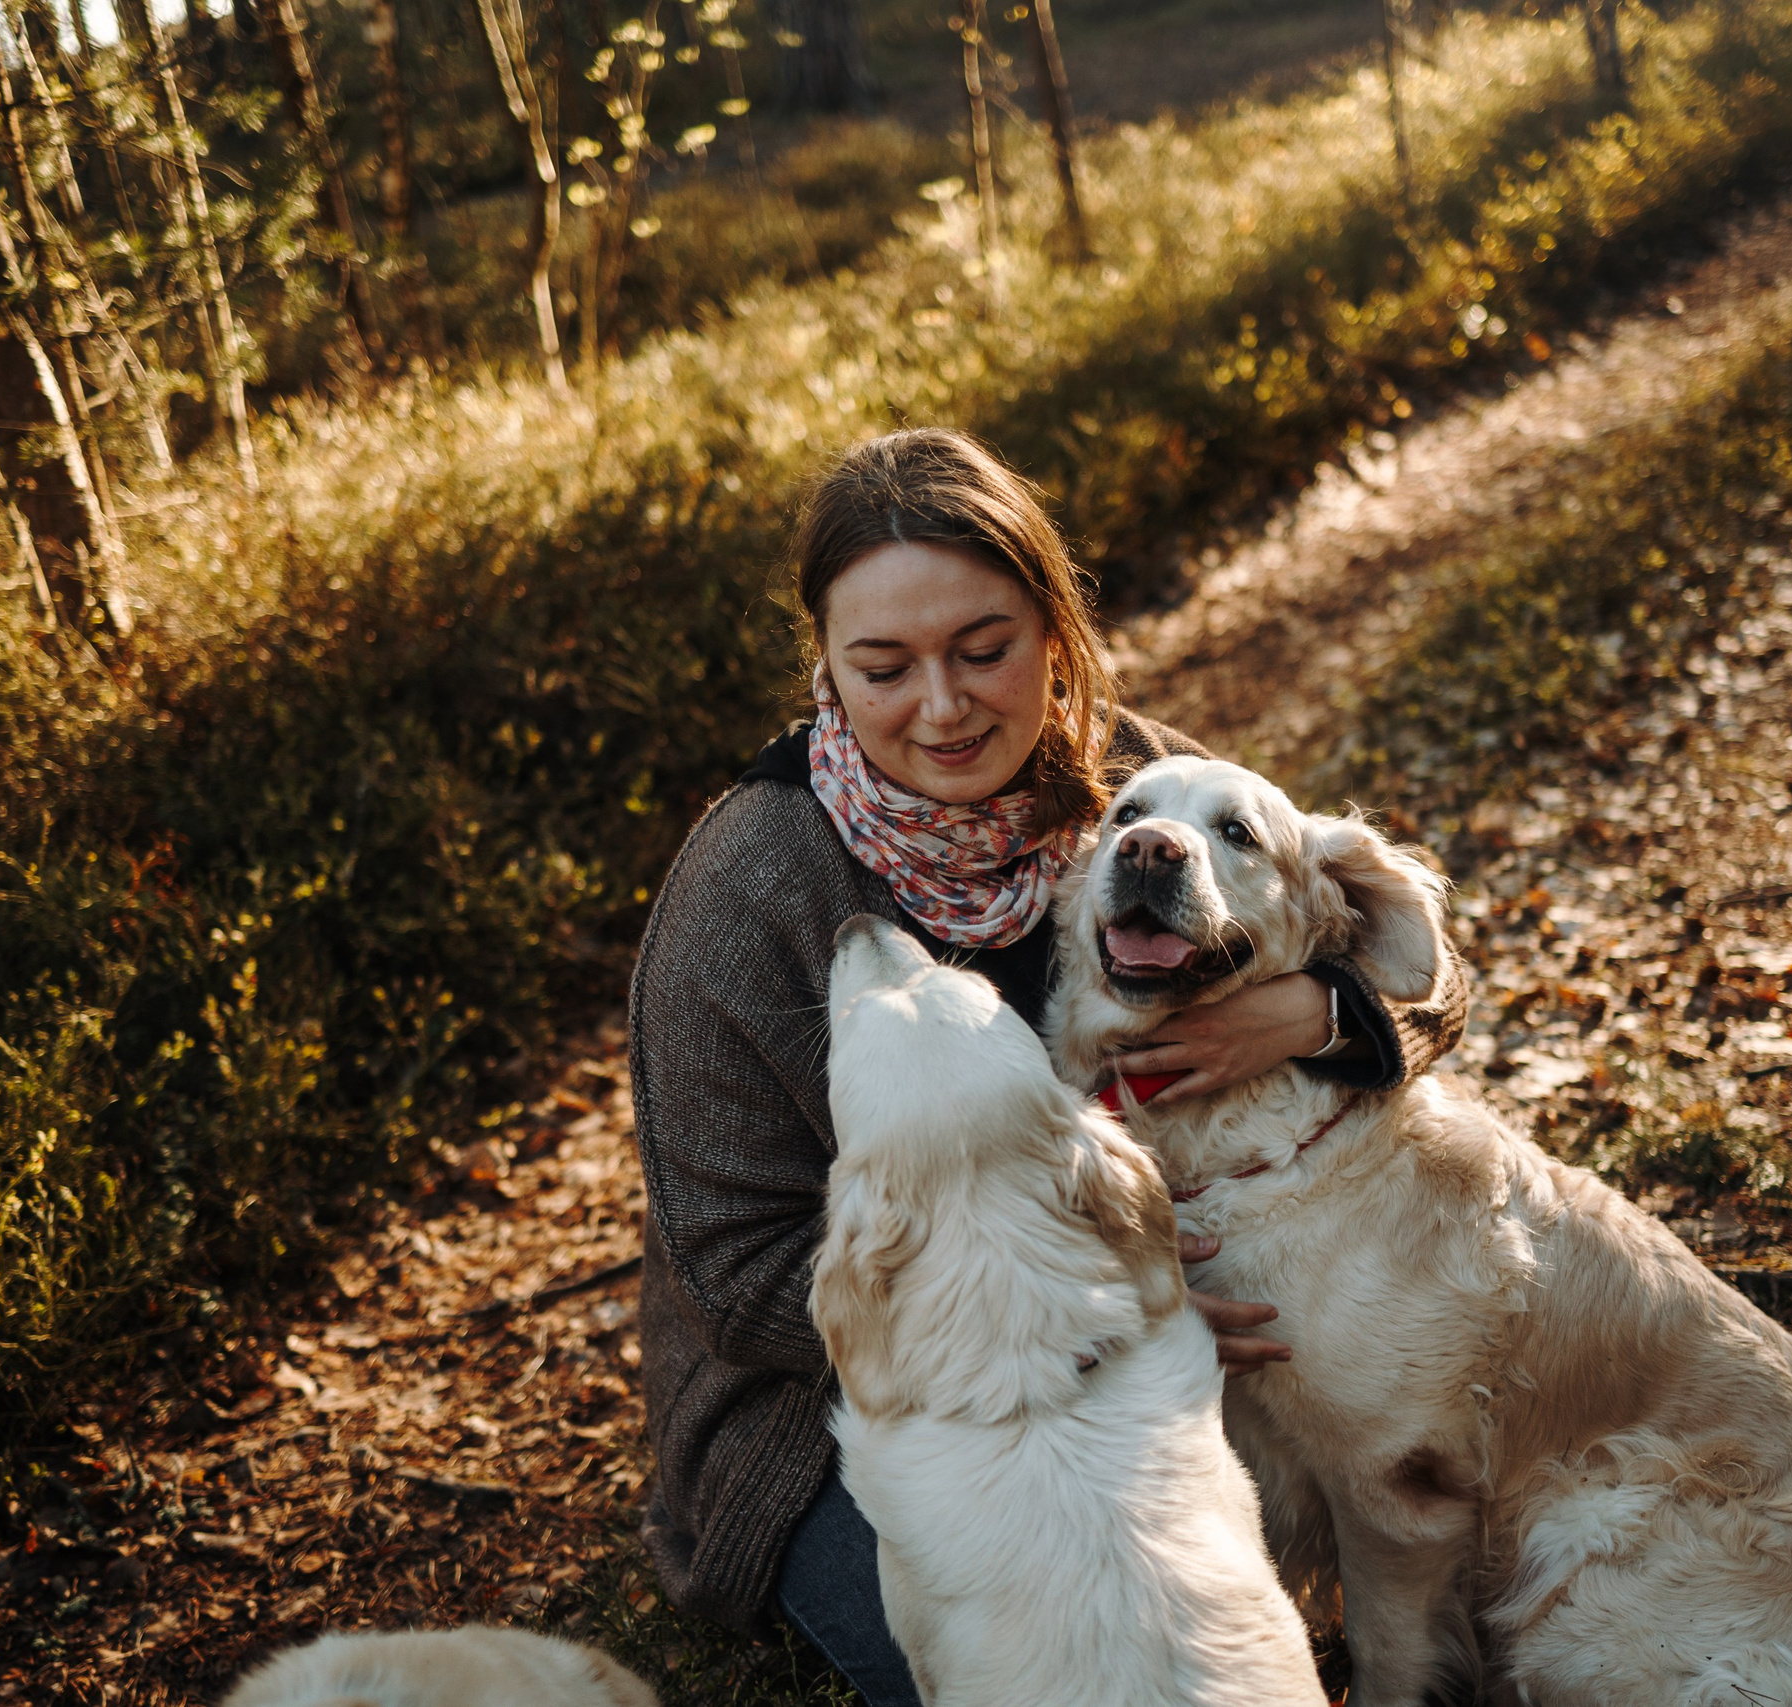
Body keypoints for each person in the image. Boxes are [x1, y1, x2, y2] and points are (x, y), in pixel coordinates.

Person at [627, 428, 1464, 1702]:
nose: (946, 706)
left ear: (1053, 634)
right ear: (826, 670)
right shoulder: (745, 895)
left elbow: (1427, 981)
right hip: (852, 1398)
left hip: (1131, 1339)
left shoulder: (1130, 783)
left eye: (984, 649)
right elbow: (728, 1273)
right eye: (884, 666)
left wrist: (1308, 1014)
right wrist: (1084, 1293)